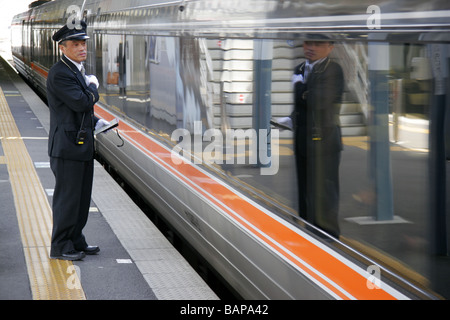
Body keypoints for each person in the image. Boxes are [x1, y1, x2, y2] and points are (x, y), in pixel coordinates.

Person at [47, 21, 109, 260]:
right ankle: (60, 246)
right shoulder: (60, 73)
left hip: (80, 145)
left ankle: (76, 240)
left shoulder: (75, 69)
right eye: (76, 44)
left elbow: (78, 111)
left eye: (83, 43)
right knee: (68, 200)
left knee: (82, 198)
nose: (82, 48)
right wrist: (93, 87)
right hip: (66, 148)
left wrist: (96, 122)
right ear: (63, 48)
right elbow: (82, 102)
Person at [291, 35, 344, 238]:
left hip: (325, 141)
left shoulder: (333, 70)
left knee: (324, 190)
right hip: (303, 139)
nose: (311, 47)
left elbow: (318, 101)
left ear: (330, 47)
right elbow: (301, 101)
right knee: (304, 187)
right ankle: (307, 230)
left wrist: (303, 91)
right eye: (307, 43)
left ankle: (327, 235)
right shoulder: (300, 68)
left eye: (318, 44)